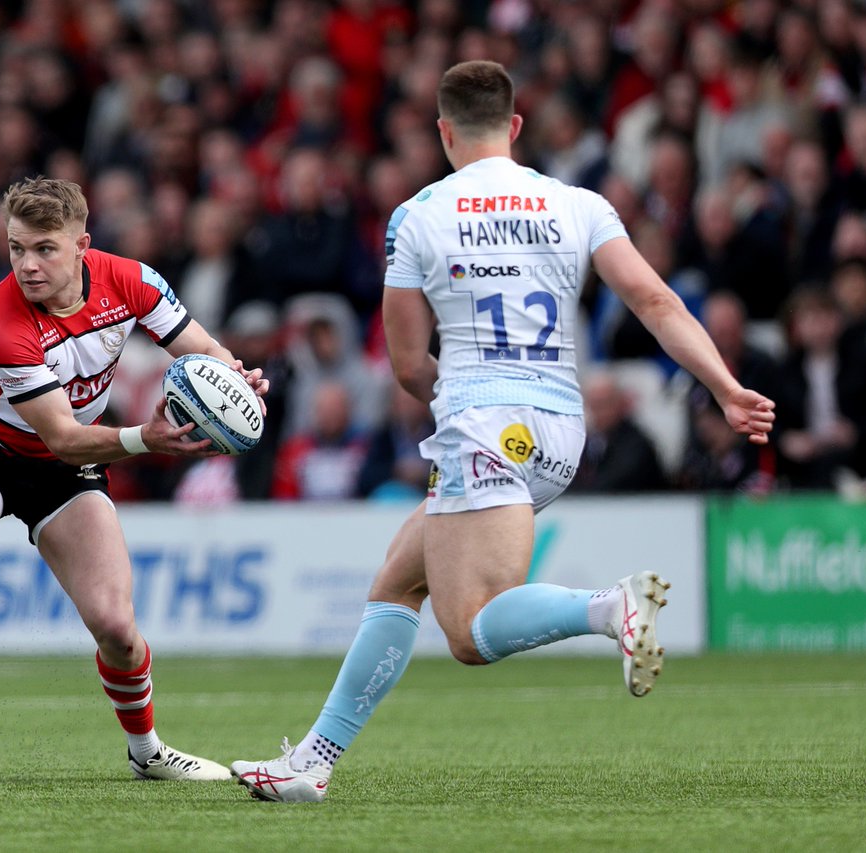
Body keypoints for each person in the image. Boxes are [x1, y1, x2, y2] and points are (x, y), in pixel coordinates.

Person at [230, 60, 774, 803]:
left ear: (443, 131)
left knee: (470, 632)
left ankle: (609, 607)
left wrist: (448, 395)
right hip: (559, 433)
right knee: (399, 574)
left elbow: (403, 359)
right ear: (515, 127)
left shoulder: (419, 213)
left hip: (484, 423)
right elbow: (652, 297)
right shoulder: (576, 203)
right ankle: (314, 761)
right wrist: (726, 387)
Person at [0, 177, 268, 781]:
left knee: (116, 627)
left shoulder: (131, 280)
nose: (27, 266)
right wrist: (146, 438)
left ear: (82, 244)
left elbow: (204, 350)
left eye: (44, 249)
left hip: (66, 471)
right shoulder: (0, 322)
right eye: (16, 249)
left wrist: (239, 381)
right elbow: (59, 433)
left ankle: (148, 753)